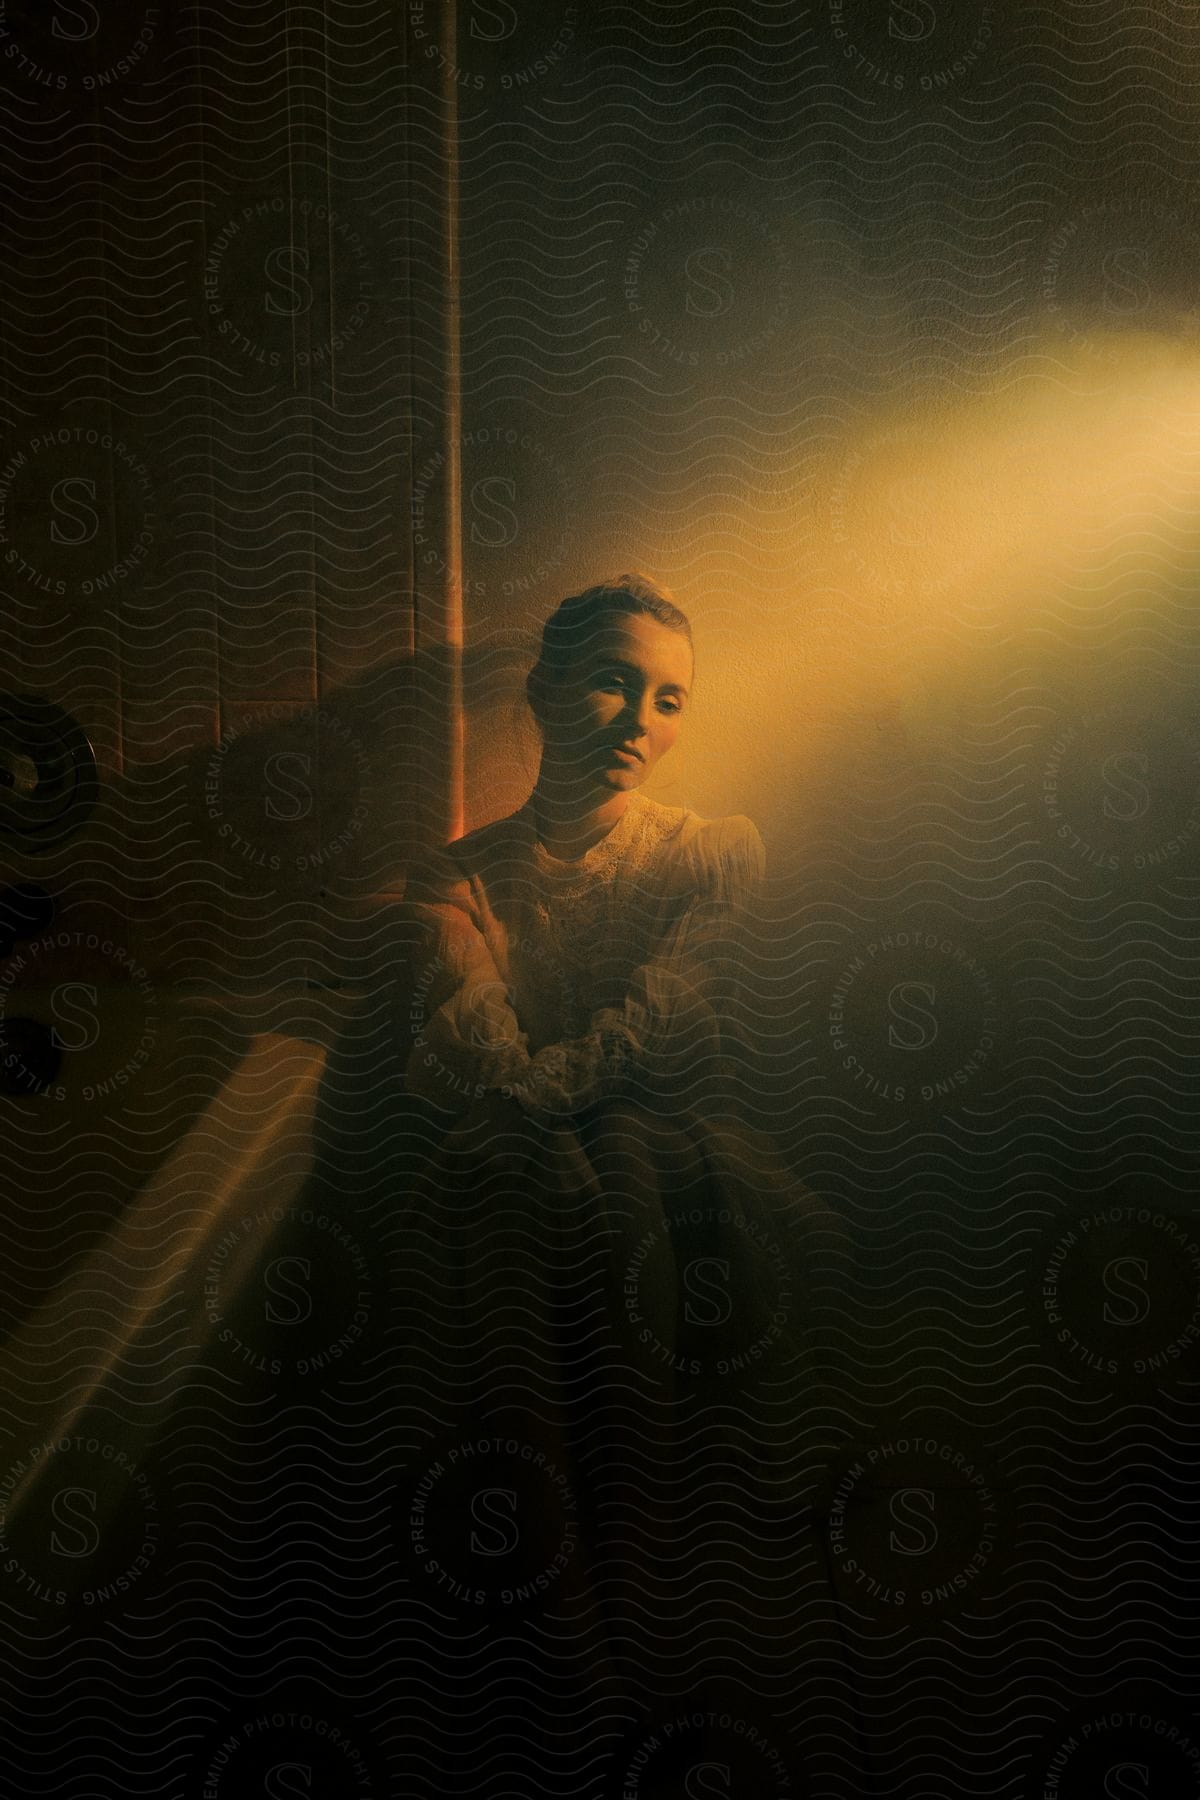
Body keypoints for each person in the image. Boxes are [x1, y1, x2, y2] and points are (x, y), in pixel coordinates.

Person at [392, 573, 840, 1707]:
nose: (643, 720)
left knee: (621, 1161)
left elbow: (664, 1023)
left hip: (677, 1149)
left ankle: (633, 1618)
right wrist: (538, 1108)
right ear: (542, 690)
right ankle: (560, 1622)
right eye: (612, 682)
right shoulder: (455, 874)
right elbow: (474, 1039)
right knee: (509, 1166)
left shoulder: (708, 852)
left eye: (671, 700)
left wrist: (546, 1100)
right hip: (519, 1155)